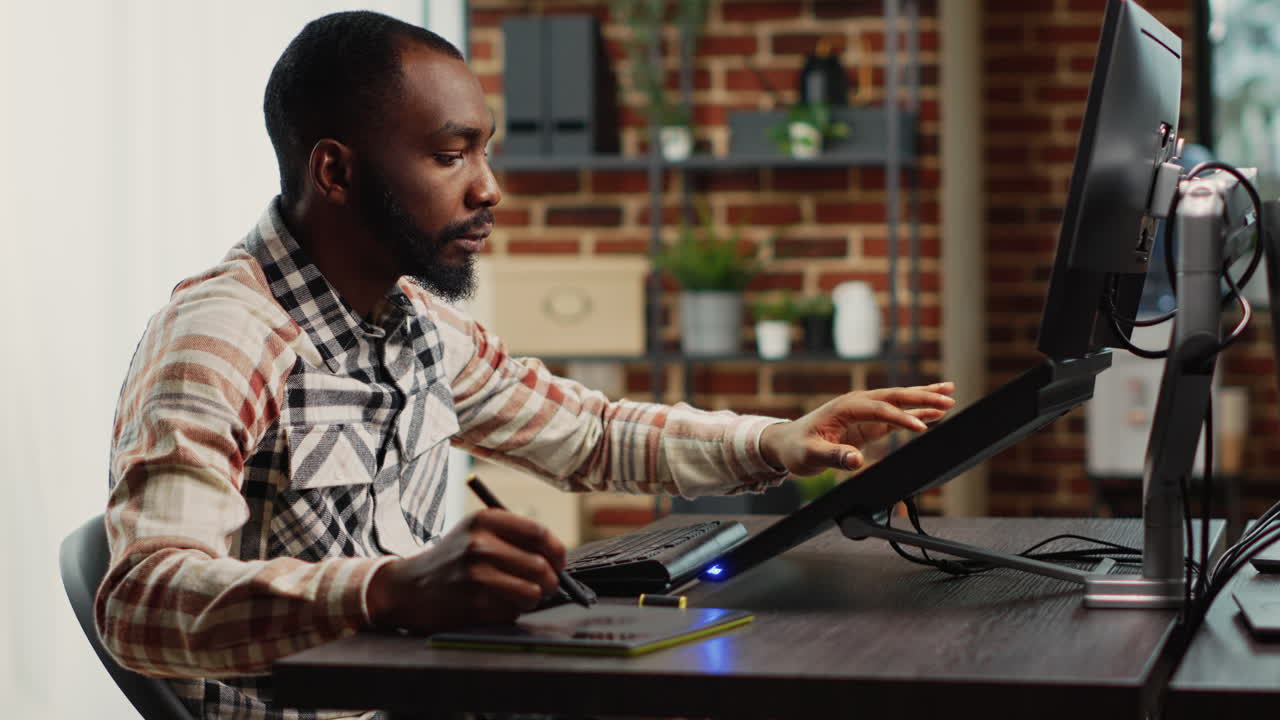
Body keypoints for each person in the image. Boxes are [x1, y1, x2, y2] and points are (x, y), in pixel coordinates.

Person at [95, 10, 955, 720]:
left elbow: (588, 432)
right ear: (336, 171)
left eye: (485, 151)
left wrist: (775, 440)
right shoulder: (223, 339)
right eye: (450, 155)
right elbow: (142, 598)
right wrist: (388, 592)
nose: (489, 187)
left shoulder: (416, 323)